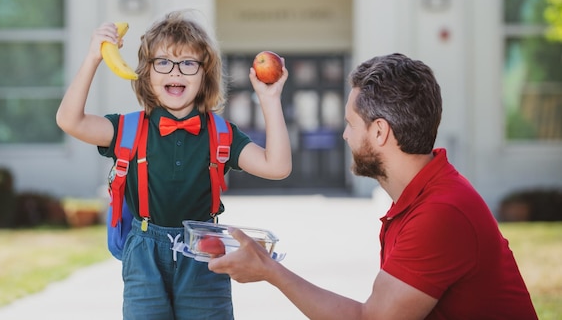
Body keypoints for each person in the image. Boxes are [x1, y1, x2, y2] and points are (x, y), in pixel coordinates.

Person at [209, 53, 538, 320]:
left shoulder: (441, 212)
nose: (345, 135)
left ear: (380, 132)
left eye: (351, 124)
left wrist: (270, 271)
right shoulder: (424, 196)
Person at [56, 10, 292, 320]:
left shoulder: (221, 134)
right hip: (143, 253)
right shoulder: (128, 128)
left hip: (204, 252)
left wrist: (270, 99)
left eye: (188, 64)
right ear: (147, 73)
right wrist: (92, 58)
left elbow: (277, 166)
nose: (175, 72)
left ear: (204, 74)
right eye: (163, 62)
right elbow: (69, 120)